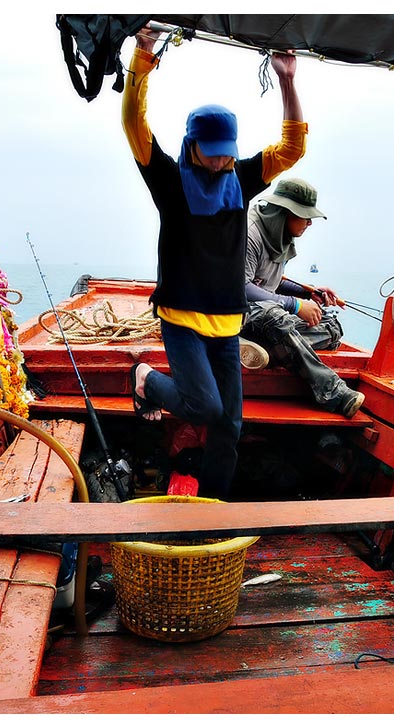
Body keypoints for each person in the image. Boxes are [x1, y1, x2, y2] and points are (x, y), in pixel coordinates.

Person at [122, 26, 308, 499]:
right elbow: (134, 126)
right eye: (215, 154)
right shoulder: (168, 180)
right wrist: (143, 57)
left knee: (230, 427)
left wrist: (287, 81)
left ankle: (213, 508)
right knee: (203, 406)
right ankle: (145, 378)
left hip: (228, 325)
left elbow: (292, 148)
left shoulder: (242, 179)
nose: (225, 163)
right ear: (194, 144)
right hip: (181, 319)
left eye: (230, 154)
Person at [238, 177, 365, 417]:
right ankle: (332, 392)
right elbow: (240, 287)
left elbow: (270, 281)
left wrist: (308, 293)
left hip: (261, 322)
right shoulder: (250, 233)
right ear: (286, 213)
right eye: (305, 216)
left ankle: (261, 349)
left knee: (331, 326)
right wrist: (295, 305)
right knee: (276, 317)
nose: (309, 222)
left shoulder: (279, 235)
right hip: (233, 314)